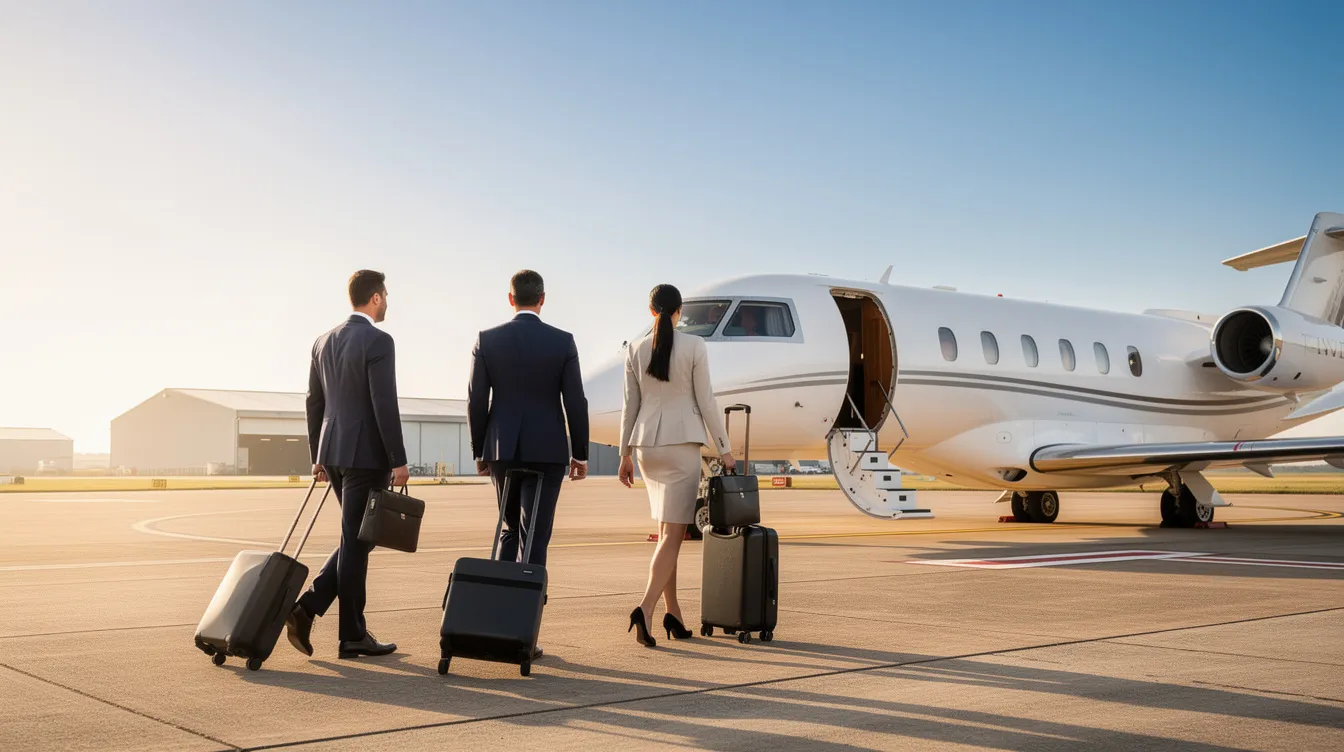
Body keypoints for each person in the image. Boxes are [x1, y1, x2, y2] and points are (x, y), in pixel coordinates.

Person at [286, 270, 409, 659]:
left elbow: (313, 402)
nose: (387, 302)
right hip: (366, 456)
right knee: (358, 542)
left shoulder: (323, 342)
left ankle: (309, 608)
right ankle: (351, 634)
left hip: (335, 453)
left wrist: (317, 456)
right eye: (385, 295)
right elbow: (383, 403)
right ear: (374, 298)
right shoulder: (378, 340)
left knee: (357, 538)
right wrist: (399, 460)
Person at [618, 284, 734, 648]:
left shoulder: (634, 350)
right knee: (672, 537)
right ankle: (645, 608)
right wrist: (726, 449)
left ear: (651, 310)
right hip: (682, 446)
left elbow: (629, 407)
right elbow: (707, 401)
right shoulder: (695, 346)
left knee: (667, 535)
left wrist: (623, 453)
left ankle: (674, 614)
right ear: (678, 311)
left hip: (647, 448)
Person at [468, 270, 589, 609]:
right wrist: (579, 453)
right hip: (547, 451)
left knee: (509, 527)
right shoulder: (562, 341)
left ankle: (496, 617)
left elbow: (476, 401)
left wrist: (480, 451)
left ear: (510, 299)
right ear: (542, 299)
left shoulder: (487, 339)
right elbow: (576, 401)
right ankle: (523, 623)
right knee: (534, 535)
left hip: (502, 450)